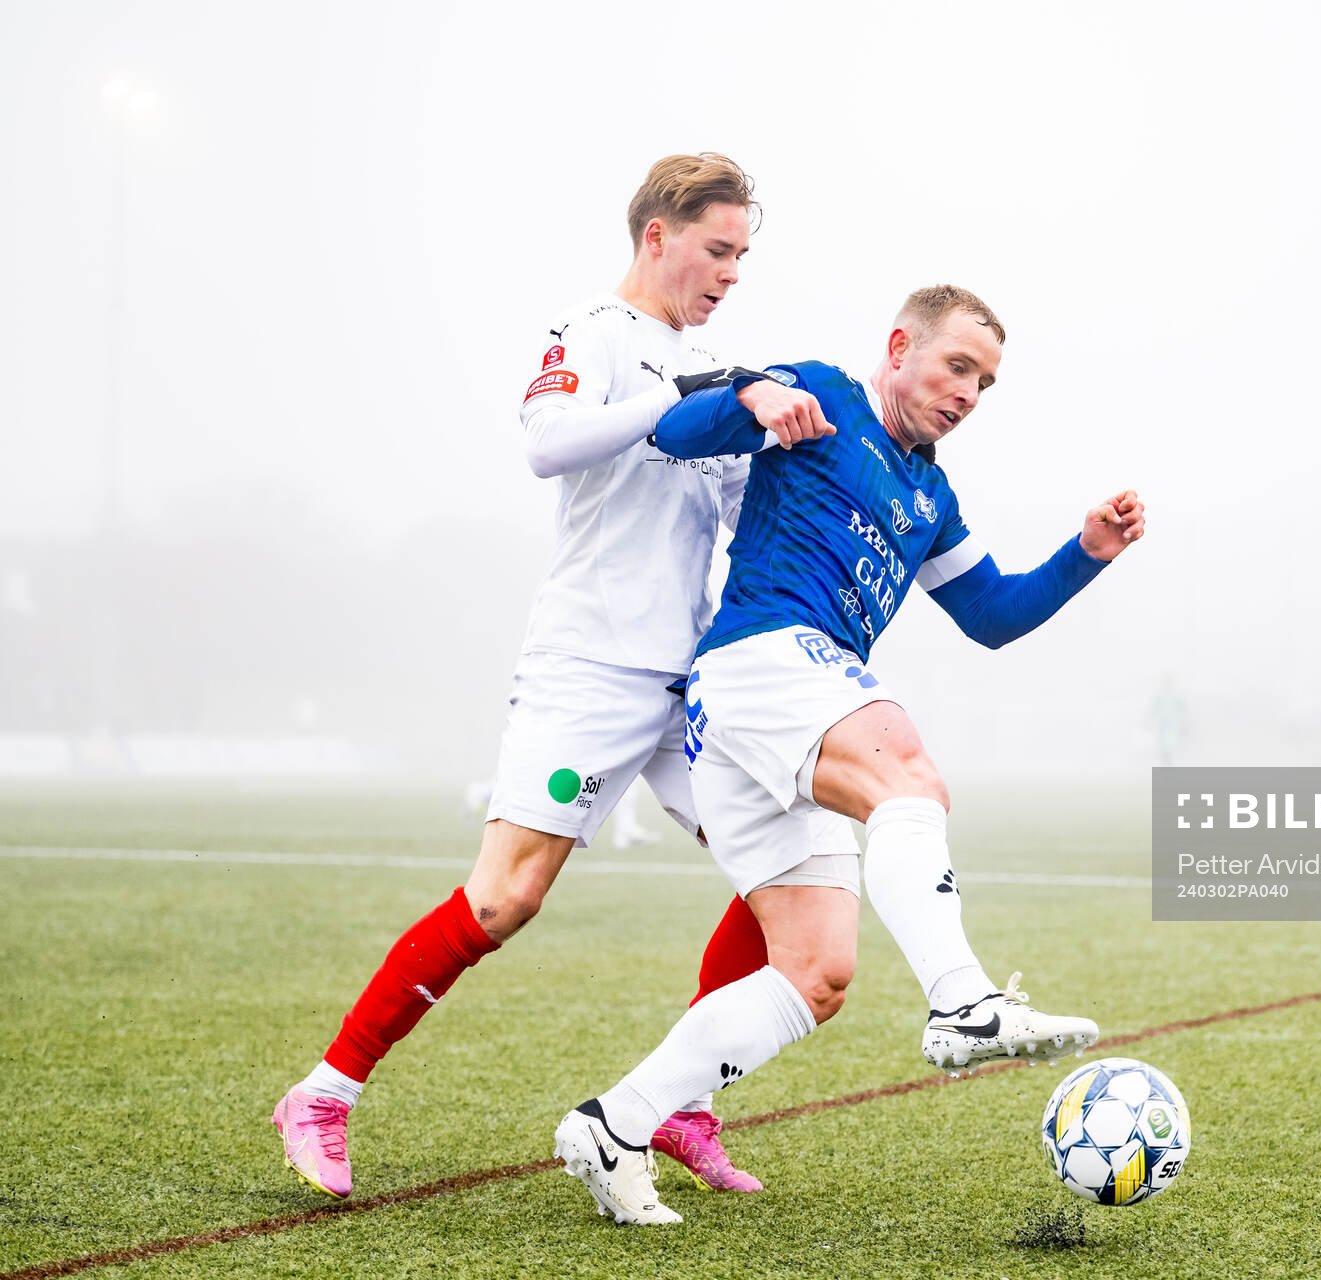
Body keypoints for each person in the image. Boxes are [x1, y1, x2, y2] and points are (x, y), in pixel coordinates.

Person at [273, 154, 854, 1217]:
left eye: (742, 255)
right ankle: (324, 1090)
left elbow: (728, 509)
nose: (730, 272)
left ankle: (681, 1106)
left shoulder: (719, 360)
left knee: (782, 864)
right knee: (505, 897)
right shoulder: (590, 330)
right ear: (656, 236)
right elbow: (548, 446)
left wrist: (789, 455)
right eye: (717, 249)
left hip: (693, 676)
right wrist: (687, 397)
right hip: (590, 662)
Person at [551, 285, 1147, 1224]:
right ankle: (963, 1002)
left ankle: (614, 1125)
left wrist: (1086, 552)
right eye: (957, 366)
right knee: (909, 777)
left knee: (815, 974)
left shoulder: (929, 493)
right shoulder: (825, 393)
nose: (968, 394)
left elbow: (992, 617)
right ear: (901, 345)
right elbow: (673, 435)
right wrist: (748, 398)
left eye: (986, 384)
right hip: (763, 659)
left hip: (765, 713)